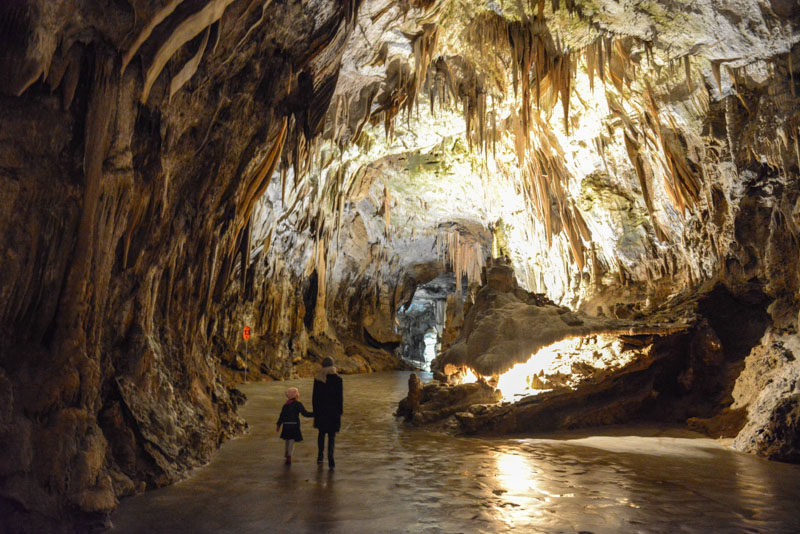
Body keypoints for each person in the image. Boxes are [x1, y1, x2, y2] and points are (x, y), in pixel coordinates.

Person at [312, 357, 343, 470]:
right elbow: (340, 399)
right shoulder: (338, 379)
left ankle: (320, 456)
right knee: (332, 436)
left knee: (321, 434)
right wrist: (340, 412)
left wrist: (315, 412)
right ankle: (331, 459)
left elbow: (314, 398)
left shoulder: (318, 379)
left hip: (321, 412)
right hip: (333, 413)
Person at [276, 387, 313, 465]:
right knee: (292, 441)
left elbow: (281, 416)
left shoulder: (285, 405)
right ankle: (289, 455)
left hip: (286, 425)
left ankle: (286, 453)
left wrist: (278, 425)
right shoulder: (298, 404)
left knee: (287, 439)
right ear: (296, 395)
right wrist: (316, 414)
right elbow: (305, 414)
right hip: (294, 425)